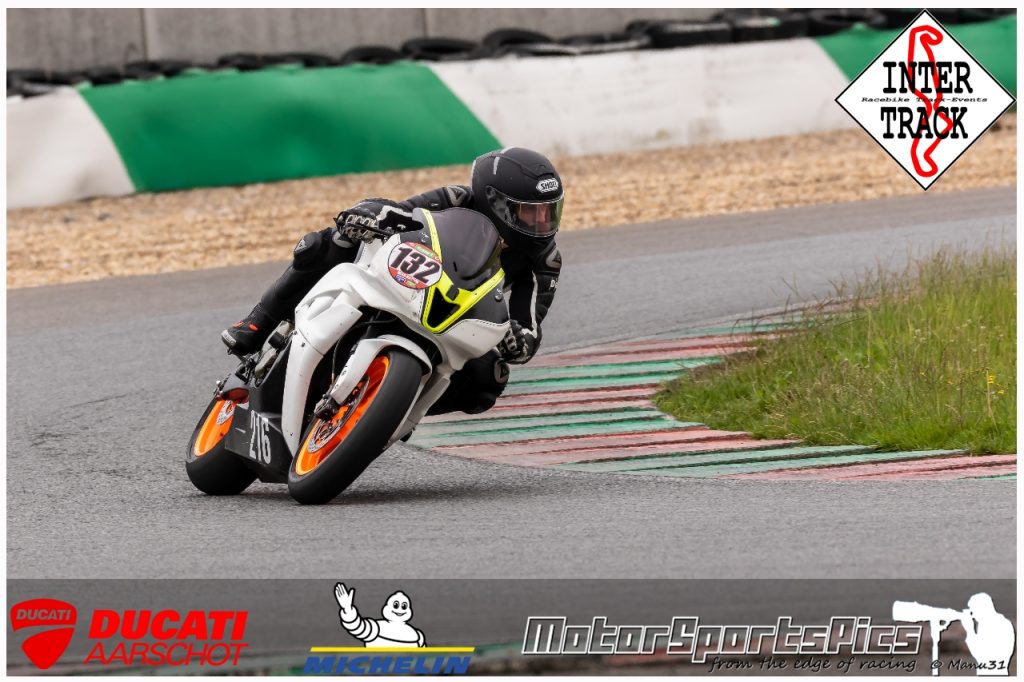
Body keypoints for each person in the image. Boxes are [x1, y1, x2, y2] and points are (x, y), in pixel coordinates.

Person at [221, 147, 563, 415]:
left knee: (490, 379)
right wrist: (369, 214)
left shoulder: (544, 260)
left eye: (548, 212)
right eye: (529, 212)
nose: (541, 223)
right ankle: (258, 322)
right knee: (327, 243)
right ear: (494, 202)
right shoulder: (457, 200)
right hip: (409, 280)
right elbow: (403, 212)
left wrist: (519, 341)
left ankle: (394, 408)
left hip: (457, 315)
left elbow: (528, 326)